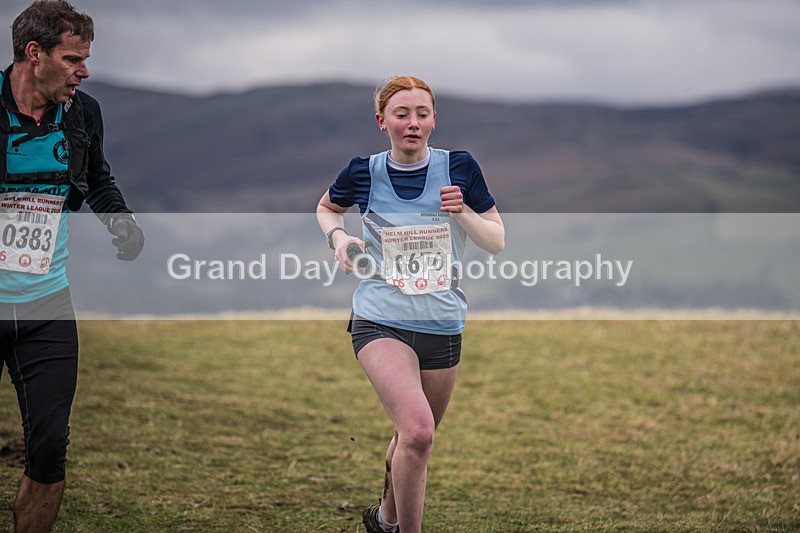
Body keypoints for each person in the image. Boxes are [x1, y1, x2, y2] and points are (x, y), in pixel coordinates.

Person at [316, 76, 504, 533]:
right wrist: (339, 239)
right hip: (380, 318)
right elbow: (327, 208)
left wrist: (463, 212)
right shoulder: (363, 172)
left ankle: (383, 520)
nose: (413, 123)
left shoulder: (460, 167)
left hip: (442, 322)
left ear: (434, 120)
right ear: (382, 122)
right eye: (402, 114)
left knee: (412, 438)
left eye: (422, 114)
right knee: (419, 431)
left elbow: (496, 241)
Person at [0, 1, 144, 531]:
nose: (83, 71)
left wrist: (121, 222)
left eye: (86, 59)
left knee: (48, 447)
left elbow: (97, 177)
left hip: (46, 303)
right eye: (72, 59)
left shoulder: (82, 113)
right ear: (34, 53)